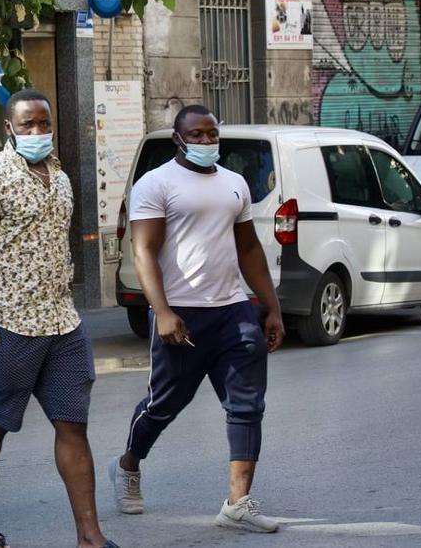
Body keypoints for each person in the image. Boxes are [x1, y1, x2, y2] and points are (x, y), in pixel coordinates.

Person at [0, 90, 118, 548]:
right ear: (9, 128)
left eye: (43, 123)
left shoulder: (60, 176)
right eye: (27, 125)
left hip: (63, 323)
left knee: (73, 425)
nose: (37, 132)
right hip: (10, 326)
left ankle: (90, 536)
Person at [110, 105, 286, 533]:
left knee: (247, 406)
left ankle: (237, 503)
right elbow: (143, 250)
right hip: (181, 314)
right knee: (163, 404)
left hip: (233, 310)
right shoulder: (155, 183)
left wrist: (271, 305)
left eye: (212, 134)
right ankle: (129, 463)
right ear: (179, 138)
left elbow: (248, 249)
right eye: (197, 135)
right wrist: (163, 310)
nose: (207, 142)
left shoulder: (235, 184)